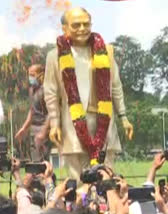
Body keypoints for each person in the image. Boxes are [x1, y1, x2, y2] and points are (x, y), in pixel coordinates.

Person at [43, 8, 134, 180]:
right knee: (78, 181)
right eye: (76, 25)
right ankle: (81, 206)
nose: (82, 29)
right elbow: (51, 92)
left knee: (106, 179)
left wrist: (123, 117)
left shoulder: (106, 51)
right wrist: (54, 123)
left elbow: (115, 86)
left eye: (86, 24)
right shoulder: (54, 56)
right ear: (64, 28)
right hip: (72, 125)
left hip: (104, 123)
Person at [15, 64, 51, 161]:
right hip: (33, 129)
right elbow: (32, 111)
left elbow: (51, 113)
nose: (30, 77)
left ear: (40, 74)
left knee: (42, 163)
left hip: (43, 128)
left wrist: (43, 132)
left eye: (32, 74)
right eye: (29, 74)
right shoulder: (32, 90)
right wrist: (24, 128)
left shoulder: (46, 90)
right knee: (34, 161)